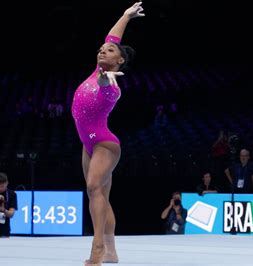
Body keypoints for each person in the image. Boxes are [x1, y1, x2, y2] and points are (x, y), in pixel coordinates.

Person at [70, 2, 144, 265]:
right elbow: (112, 36)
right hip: (87, 145)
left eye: (110, 50)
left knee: (92, 187)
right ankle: (112, 252)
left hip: (104, 144)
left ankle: (97, 247)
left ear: (119, 60)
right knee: (101, 196)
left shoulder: (112, 86)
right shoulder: (96, 71)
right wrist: (125, 15)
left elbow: (104, 84)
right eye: (101, 49)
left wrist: (105, 78)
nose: (103, 50)